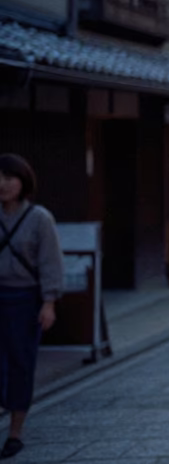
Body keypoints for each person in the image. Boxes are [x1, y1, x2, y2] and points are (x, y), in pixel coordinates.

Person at [0, 154, 63, 461]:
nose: (2, 184)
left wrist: (49, 302)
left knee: (21, 363)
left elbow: (51, 263)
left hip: (26, 299)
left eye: (9, 178)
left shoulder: (39, 218)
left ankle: (15, 432)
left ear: (23, 181)